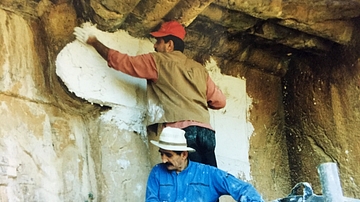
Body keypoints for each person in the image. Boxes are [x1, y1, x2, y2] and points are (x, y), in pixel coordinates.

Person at [73, 20, 226, 167]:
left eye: (158, 41)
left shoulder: (157, 61)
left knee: (187, 183)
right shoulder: (199, 69)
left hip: (181, 133)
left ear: (169, 45)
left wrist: (93, 41)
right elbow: (220, 101)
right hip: (207, 133)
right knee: (209, 180)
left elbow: (123, 62)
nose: (155, 45)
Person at [146, 127, 264, 202]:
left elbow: (244, 189)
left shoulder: (208, 173)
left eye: (168, 155)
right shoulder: (157, 172)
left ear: (184, 154)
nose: (163, 160)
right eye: (161, 154)